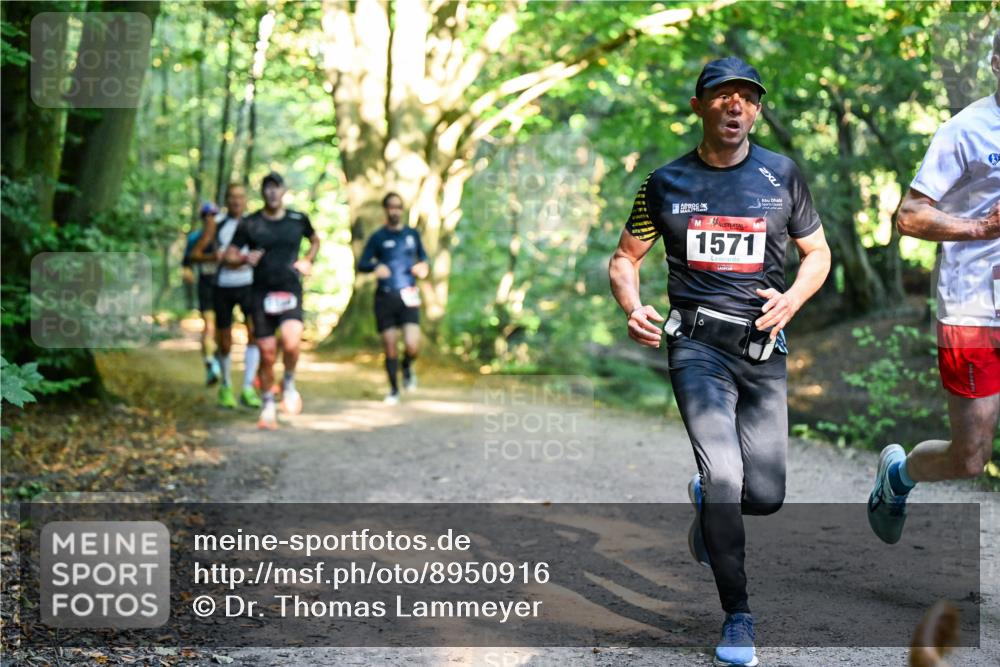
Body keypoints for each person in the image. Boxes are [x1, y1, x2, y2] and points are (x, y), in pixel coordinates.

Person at [608, 57, 830, 666]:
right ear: (700, 107)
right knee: (727, 475)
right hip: (696, 348)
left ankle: (710, 507)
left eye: (747, 97)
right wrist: (632, 306)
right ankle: (738, 615)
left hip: (761, 348)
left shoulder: (783, 176)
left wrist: (793, 297)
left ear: (756, 111)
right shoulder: (665, 183)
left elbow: (818, 254)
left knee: (764, 494)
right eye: (722, 95)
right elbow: (625, 258)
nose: (735, 105)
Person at [866, 30, 1000, 545]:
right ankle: (897, 477)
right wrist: (980, 229)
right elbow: (909, 215)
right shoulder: (965, 130)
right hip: (974, 310)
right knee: (969, 459)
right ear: (995, 62)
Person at [226, 171, 320, 429]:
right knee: (267, 353)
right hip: (261, 293)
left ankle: (288, 382)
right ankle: (268, 404)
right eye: (268, 188)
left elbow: (315, 239)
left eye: (276, 187)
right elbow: (230, 254)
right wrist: (244, 259)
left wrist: (308, 260)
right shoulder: (250, 223)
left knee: (292, 343)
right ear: (263, 193)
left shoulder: (297, 219)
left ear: (284, 191)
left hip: (290, 290)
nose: (272, 192)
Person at [357, 192, 429, 405]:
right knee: (389, 346)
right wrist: (375, 266)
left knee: (412, 345)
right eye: (391, 207)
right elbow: (362, 263)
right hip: (385, 297)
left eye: (398, 207)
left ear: (402, 209)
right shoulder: (378, 237)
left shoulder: (412, 235)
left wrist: (423, 267)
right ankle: (394, 389)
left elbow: (424, 259)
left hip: (409, 296)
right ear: (385, 210)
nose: (394, 210)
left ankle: (407, 367)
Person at [213, 183, 261, 410]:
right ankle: (226, 385)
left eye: (240, 197)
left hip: (249, 285)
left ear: (245, 200)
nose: (236, 201)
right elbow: (217, 256)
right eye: (231, 197)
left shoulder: (254, 224)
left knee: (254, 333)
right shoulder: (218, 225)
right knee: (224, 340)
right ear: (226, 200)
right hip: (223, 286)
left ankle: (248, 387)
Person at [188, 202, 222, 386]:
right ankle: (210, 363)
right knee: (209, 325)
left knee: (220, 329)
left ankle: (215, 359)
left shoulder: (223, 235)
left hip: (224, 287)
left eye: (214, 215)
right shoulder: (196, 237)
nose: (210, 218)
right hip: (206, 285)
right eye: (207, 215)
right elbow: (188, 259)